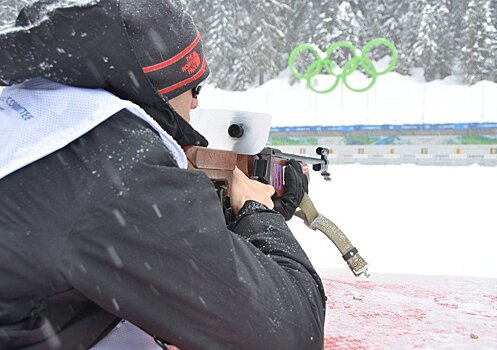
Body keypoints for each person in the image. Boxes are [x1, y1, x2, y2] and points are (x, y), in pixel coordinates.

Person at [0, 0, 326, 349]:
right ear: (158, 88)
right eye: (195, 88)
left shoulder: (39, 118)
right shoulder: (116, 170)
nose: (197, 104)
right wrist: (259, 214)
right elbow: (291, 332)